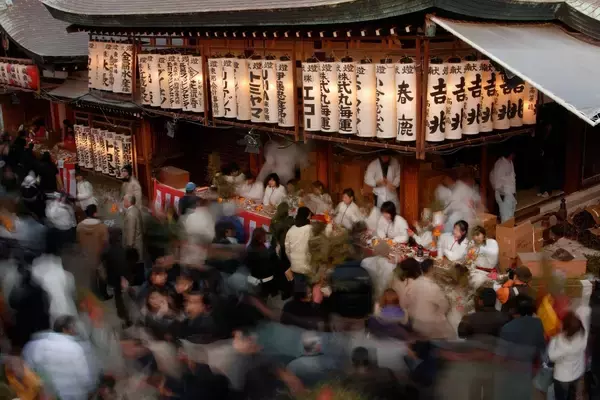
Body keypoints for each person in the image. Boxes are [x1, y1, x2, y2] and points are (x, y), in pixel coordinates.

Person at [23, 315, 98, 400]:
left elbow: (27, 371)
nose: (76, 331)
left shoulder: (34, 345)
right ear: (64, 330)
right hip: (73, 396)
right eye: (73, 328)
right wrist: (91, 389)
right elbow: (84, 378)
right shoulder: (75, 348)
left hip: (46, 396)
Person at [495, 295, 545, 400]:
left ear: (514, 310)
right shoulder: (538, 323)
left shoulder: (507, 328)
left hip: (510, 373)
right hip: (529, 371)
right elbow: (541, 348)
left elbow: (500, 357)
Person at [548, 306, 591, 400]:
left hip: (562, 377)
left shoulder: (560, 342)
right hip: (578, 372)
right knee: (574, 394)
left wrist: (553, 339)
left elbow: (551, 356)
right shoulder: (583, 336)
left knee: (561, 396)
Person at [406, 259, 455, 339]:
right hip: (428, 325)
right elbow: (444, 305)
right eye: (435, 267)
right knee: (451, 333)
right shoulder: (433, 287)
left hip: (415, 322)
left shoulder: (414, 283)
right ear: (431, 269)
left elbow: (408, 301)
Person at [181, 198, 215, 268]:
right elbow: (210, 236)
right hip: (200, 249)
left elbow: (186, 230)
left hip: (189, 246)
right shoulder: (208, 217)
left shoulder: (190, 216)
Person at [284, 207, 313, 287]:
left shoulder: (291, 230)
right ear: (307, 216)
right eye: (309, 215)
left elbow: (287, 250)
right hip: (308, 266)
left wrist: (293, 260)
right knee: (308, 288)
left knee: (298, 288)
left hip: (295, 265)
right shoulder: (311, 230)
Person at [246, 227, 278, 299]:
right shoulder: (262, 252)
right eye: (264, 236)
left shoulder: (251, 247)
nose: (266, 237)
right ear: (259, 238)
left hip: (257, 280)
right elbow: (272, 260)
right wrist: (273, 245)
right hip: (263, 282)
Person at [76, 204, 109, 270]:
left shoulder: (79, 226)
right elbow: (105, 242)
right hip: (98, 257)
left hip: (85, 257)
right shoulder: (102, 227)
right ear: (95, 214)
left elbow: (78, 240)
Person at [490, 151, 517, 222]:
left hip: (511, 193)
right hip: (504, 195)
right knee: (505, 217)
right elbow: (497, 183)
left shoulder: (510, 162)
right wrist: (503, 195)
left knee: (511, 216)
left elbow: (512, 179)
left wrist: (513, 194)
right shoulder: (500, 164)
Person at [123, 194, 144, 262]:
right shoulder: (135, 209)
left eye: (124, 200)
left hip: (134, 246)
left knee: (134, 265)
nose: (123, 202)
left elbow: (131, 231)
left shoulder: (130, 214)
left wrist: (129, 247)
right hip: (138, 243)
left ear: (128, 201)